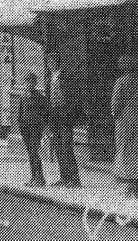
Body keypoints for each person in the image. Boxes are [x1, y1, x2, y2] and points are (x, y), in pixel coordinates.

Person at [110, 52, 138, 198]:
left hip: (126, 120)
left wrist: (116, 115)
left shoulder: (121, 82)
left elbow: (115, 104)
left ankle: (129, 185)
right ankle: (136, 186)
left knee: (125, 150)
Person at [47, 53, 81, 188]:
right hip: (54, 114)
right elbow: (49, 99)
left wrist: (69, 112)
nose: (51, 64)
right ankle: (64, 177)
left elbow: (73, 96)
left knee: (67, 146)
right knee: (58, 147)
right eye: (49, 62)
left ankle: (74, 179)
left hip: (65, 114)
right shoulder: (50, 78)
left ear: (57, 62)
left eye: (53, 61)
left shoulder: (65, 76)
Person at [17, 71, 48, 187]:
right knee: (30, 153)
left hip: (36, 129)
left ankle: (40, 178)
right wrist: (21, 126)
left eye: (31, 82)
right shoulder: (23, 96)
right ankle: (34, 177)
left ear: (35, 83)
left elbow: (45, 114)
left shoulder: (40, 97)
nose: (28, 84)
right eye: (26, 82)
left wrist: (42, 129)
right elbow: (19, 114)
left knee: (35, 153)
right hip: (26, 129)